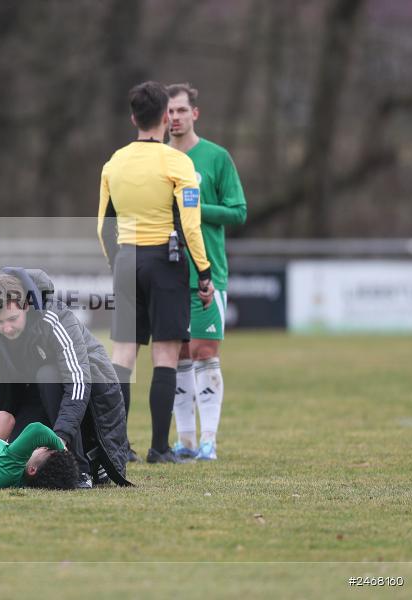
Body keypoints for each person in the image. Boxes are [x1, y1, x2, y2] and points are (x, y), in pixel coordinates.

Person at [97, 81, 214, 464]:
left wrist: (118, 265)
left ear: (133, 117)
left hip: (127, 259)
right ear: (166, 117)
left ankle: (117, 446)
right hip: (166, 260)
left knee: (123, 354)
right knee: (165, 354)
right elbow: (192, 227)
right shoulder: (179, 163)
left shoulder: (114, 163)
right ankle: (159, 448)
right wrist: (205, 273)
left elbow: (103, 227)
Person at [0, 268, 132, 489]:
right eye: (0, 322)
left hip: (89, 394)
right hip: (36, 393)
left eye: (12, 318)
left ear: (26, 306)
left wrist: (60, 438)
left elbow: (78, 382)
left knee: (49, 374)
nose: (6, 328)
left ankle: (85, 465)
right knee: (19, 460)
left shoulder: (55, 316)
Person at [167, 83, 247, 461]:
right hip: (167, 272)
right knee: (178, 354)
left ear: (194, 113)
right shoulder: (158, 159)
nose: (175, 117)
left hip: (207, 271)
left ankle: (209, 441)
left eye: (181, 110)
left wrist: (197, 210)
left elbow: (239, 211)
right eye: (169, 111)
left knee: (204, 352)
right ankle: (184, 441)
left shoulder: (216, 158)